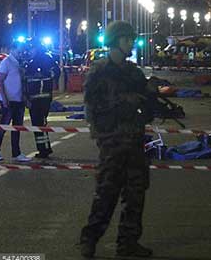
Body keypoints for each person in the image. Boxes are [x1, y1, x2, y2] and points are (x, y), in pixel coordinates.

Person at [79, 21, 154, 258]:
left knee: (136, 194)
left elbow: (147, 107)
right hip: (112, 143)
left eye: (132, 39)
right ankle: (89, 239)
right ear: (115, 41)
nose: (131, 43)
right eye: (127, 39)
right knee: (106, 194)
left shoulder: (134, 73)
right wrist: (124, 103)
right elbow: (92, 109)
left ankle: (128, 242)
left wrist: (150, 98)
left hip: (135, 142)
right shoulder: (99, 72)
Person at [0, 42, 30, 162]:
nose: (21, 53)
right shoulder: (6, 62)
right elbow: (0, 81)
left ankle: (16, 153)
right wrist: (4, 99)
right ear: (12, 49)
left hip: (19, 100)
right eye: (19, 50)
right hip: (9, 100)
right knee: (3, 126)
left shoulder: (19, 63)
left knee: (17, 127)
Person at [23, 38, 60, 158]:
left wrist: (45, 74)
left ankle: (44, 150)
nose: (30, 51)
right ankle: (43, 148)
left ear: (36, 48)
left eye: (31, 48)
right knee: (39, 125)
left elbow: (56, 72)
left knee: (40, 125)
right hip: (38, 99)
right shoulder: (32, 61)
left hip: (40, 99)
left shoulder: (44, 59)